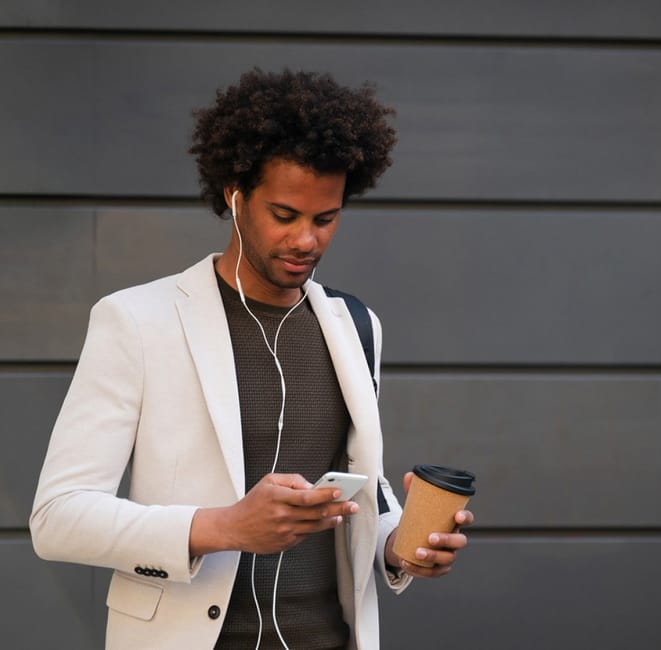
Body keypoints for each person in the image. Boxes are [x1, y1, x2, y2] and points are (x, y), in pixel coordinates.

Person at [29, 68, 474, 649]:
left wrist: (400, 543)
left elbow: (359, 482)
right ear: (234, 195)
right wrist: (223, 527)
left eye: (325, 219)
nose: (306, 240)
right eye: (284, 215)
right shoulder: (137, 320)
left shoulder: (356, 324)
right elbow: (58, 517)